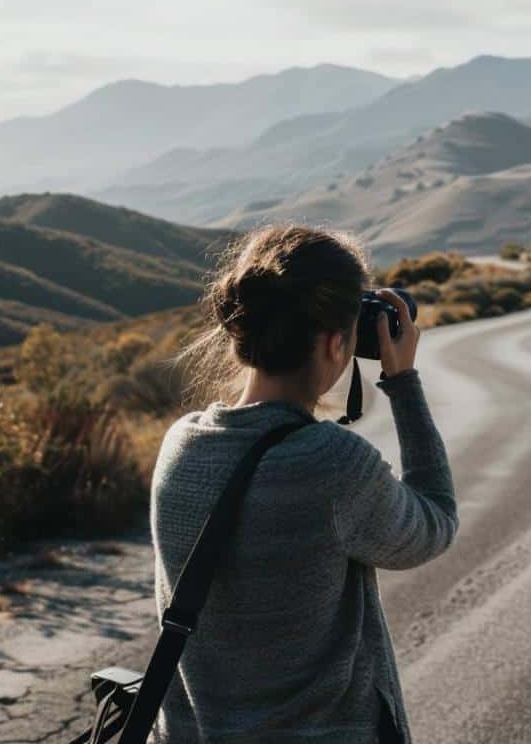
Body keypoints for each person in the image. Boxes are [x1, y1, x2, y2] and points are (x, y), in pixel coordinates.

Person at [149, 225, 457, 743]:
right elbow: (436, 523)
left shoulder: (181, 445)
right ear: (338, 343)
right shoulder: (332, 464)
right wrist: (403, 383)